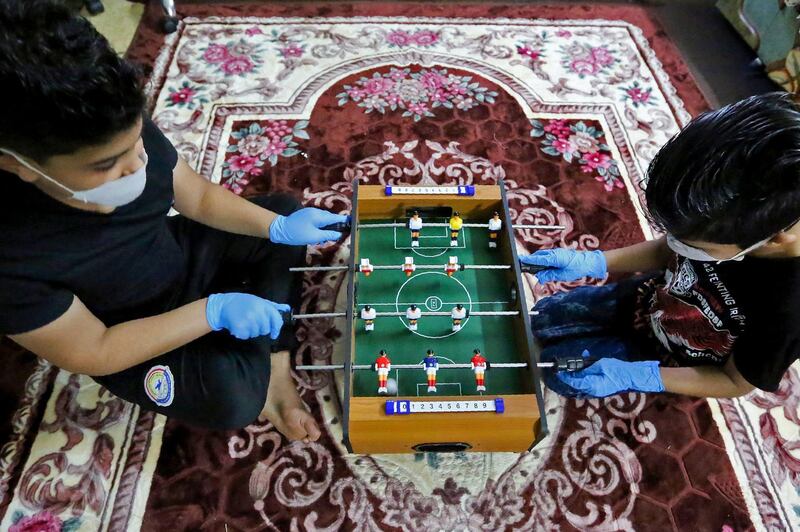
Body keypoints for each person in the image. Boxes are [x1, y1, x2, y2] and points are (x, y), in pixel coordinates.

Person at [0, 1, 348, 440]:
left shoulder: (111, 119)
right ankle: (257, 355)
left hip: (179, 256)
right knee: (233, 399)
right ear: (19, 165)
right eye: (107, 165)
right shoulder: (11, 257)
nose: (137, 166)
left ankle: (276, 362)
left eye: (135, 146)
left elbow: (199, 197)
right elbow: (94, 351)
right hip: (128, 329)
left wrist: (277, 229)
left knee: (280, 212)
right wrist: (211, 311)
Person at [522, 92, 800, 399]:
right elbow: (671, 250)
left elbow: (734, 381)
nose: (680, 245)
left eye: (695, 244)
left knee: (560, 375)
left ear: (774, 238)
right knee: (544, 315)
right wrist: (594, 262)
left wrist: (642, 375)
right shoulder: (733, 228)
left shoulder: (790, 311)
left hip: (672, 358)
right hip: (647, 300)